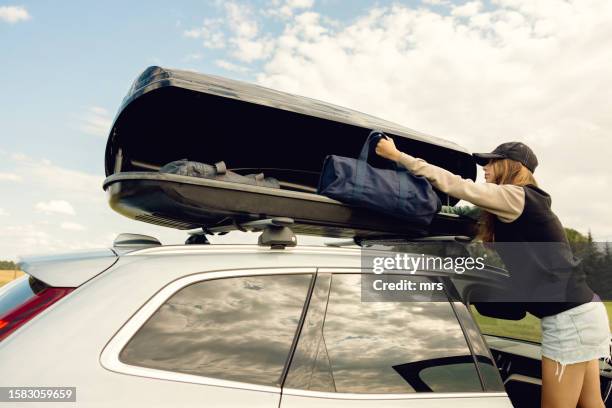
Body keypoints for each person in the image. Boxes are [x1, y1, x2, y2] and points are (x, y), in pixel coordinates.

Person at [375, 137, 612, 408]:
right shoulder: (523, 204)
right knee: (591, 403)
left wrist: (397, 155)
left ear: (512, 166)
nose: (485, 168)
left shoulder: (516, 196)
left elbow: (457, 185)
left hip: (569, 319)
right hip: (585, 312)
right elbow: (464, 213)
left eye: (491, 162)